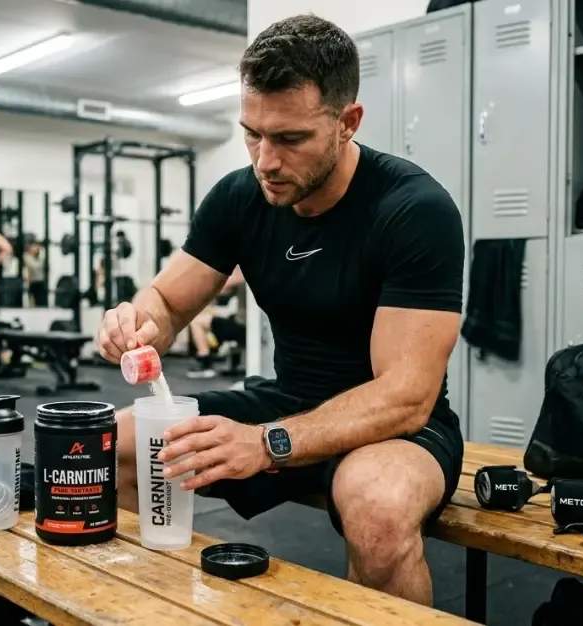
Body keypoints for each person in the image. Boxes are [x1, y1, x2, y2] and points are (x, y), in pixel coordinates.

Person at [95, 15, 464, 607]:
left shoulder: (413, 209)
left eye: (290, 139)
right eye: (252, 134)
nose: (265, 160)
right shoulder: (240, 197)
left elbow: (406, 395)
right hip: (286, 402)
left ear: (348, 123)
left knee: (378, 507)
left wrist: (267, 443)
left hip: (394, 429)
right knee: (114, 442)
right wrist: (139, 323)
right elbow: (165, 299)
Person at [186, 266, 246, 379]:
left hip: (244, 327)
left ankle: (205, 363)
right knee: (206, 314)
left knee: (197, 322)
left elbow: (223, 285)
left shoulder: (245, 271)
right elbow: (224, 290)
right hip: (242, 322)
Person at [23, 240, 47, 307]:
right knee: (32, 304)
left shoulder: (42, 258)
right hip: (32, 283)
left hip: (41, 282)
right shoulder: (27, 258)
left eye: (37, 246)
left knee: (42, 304)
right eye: (33, 247)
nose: (35, 248)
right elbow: (28, 269)